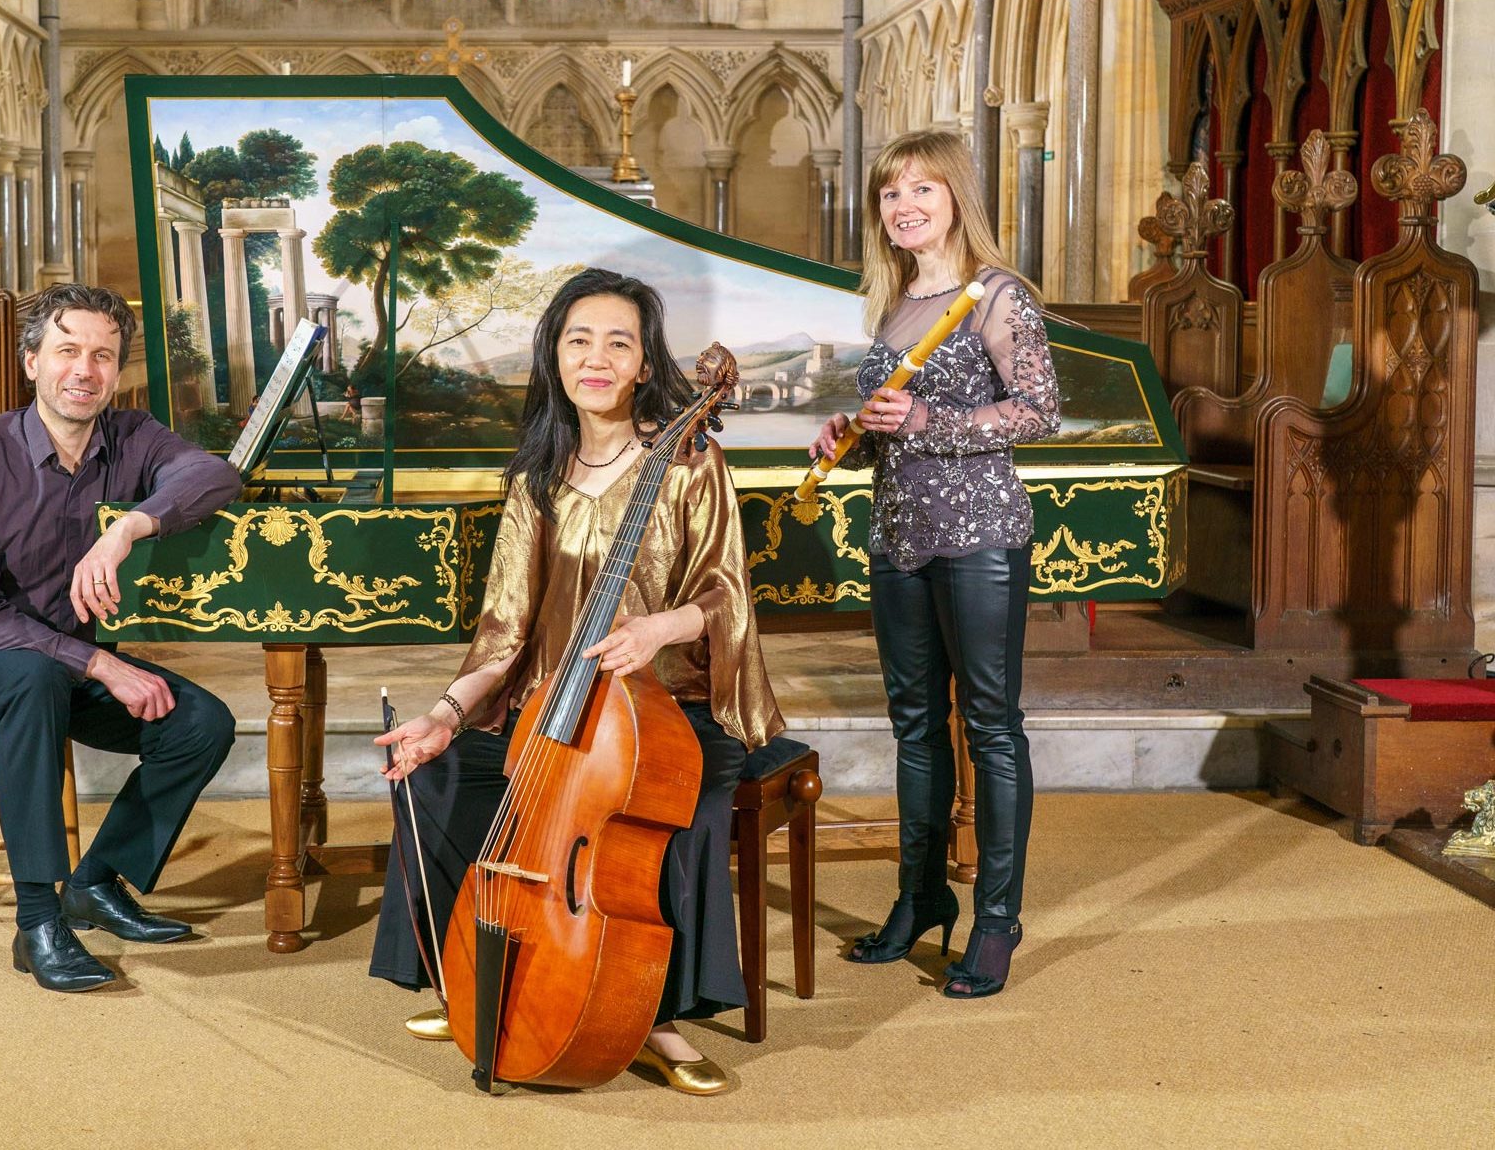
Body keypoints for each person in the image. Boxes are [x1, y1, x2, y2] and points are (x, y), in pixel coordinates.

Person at [369, 269, 783, 1095]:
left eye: (618, 342)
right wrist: (445, 716)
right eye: (578, 339)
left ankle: (652, 1014)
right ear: (554, 355)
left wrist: (659, 628)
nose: (596, 357)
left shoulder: (690, 458)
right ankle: (475, 973)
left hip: (669, 707)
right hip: (553, 708)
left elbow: (725, 594)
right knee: (439, 774)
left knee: (676, 802)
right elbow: (504, 628)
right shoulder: (536, 477)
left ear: (642, 364)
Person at [0, 284, 242, 993]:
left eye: (102, 356)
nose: (83, 371)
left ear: (116, 373)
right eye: (67, 351)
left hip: (69, 668)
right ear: (31, 362)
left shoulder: (133, 436)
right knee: (31, 681)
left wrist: (128, 527)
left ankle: (96, 881)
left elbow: (213, 474)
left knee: (201, 723)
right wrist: (98, 662)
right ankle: (37, 922)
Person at [810, 128, 1060, 999]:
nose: (903, 207)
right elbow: (896, 413)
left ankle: (996, 919)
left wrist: (925, 424)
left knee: (991, 726)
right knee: (914, 726)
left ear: (957, 198)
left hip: (982, 531)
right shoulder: (894, 304)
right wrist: (852, 432)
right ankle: (919, 899)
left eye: (921, 190)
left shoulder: (997, 296)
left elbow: (1037, 413)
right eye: (889, 194)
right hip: (899, 532)